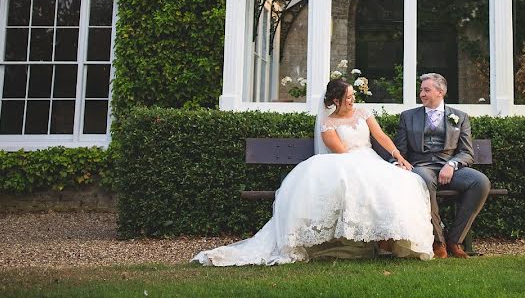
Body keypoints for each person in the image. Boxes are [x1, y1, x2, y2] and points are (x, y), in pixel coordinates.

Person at [192, 79, 433, 266]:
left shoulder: (363, 113)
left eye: (352, 96)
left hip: (369, 159)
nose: (352, 100)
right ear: (336, 100)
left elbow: (380, 137)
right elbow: (341, 152)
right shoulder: (327, 124)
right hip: (345, 161)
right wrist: (357, 162)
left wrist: (398, 157)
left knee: (405, 181)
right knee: (357, 183)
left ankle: (390, 242)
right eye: (348, 97)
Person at [394, 73, 491, 259]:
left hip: (450, 167)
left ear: (440, 92)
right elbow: (401, 150)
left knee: (480, 182)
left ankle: (455, 240)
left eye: (426, 90)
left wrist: (452, 164)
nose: (421, 93)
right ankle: (438, 241)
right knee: (422, 180)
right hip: (422, 166)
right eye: (421, 89)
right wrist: (399, 163)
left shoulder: (460, 117)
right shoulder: (408, 117)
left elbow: (467, 152)